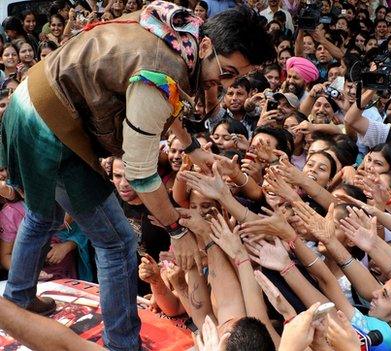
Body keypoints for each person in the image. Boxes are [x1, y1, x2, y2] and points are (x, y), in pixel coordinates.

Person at [0, 3, 274, 351]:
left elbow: (166, 98)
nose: (226, 83)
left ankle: (19, 299)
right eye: (228, 73)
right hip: (49, 125)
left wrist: (191, 148)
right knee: (116, 242)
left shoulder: (183, 31)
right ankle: (123, 344)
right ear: (206, 47)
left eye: (236, 78)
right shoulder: (163, 72)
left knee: (45, 214)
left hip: (32, 101)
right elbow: (141, 172)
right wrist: (176, 229)